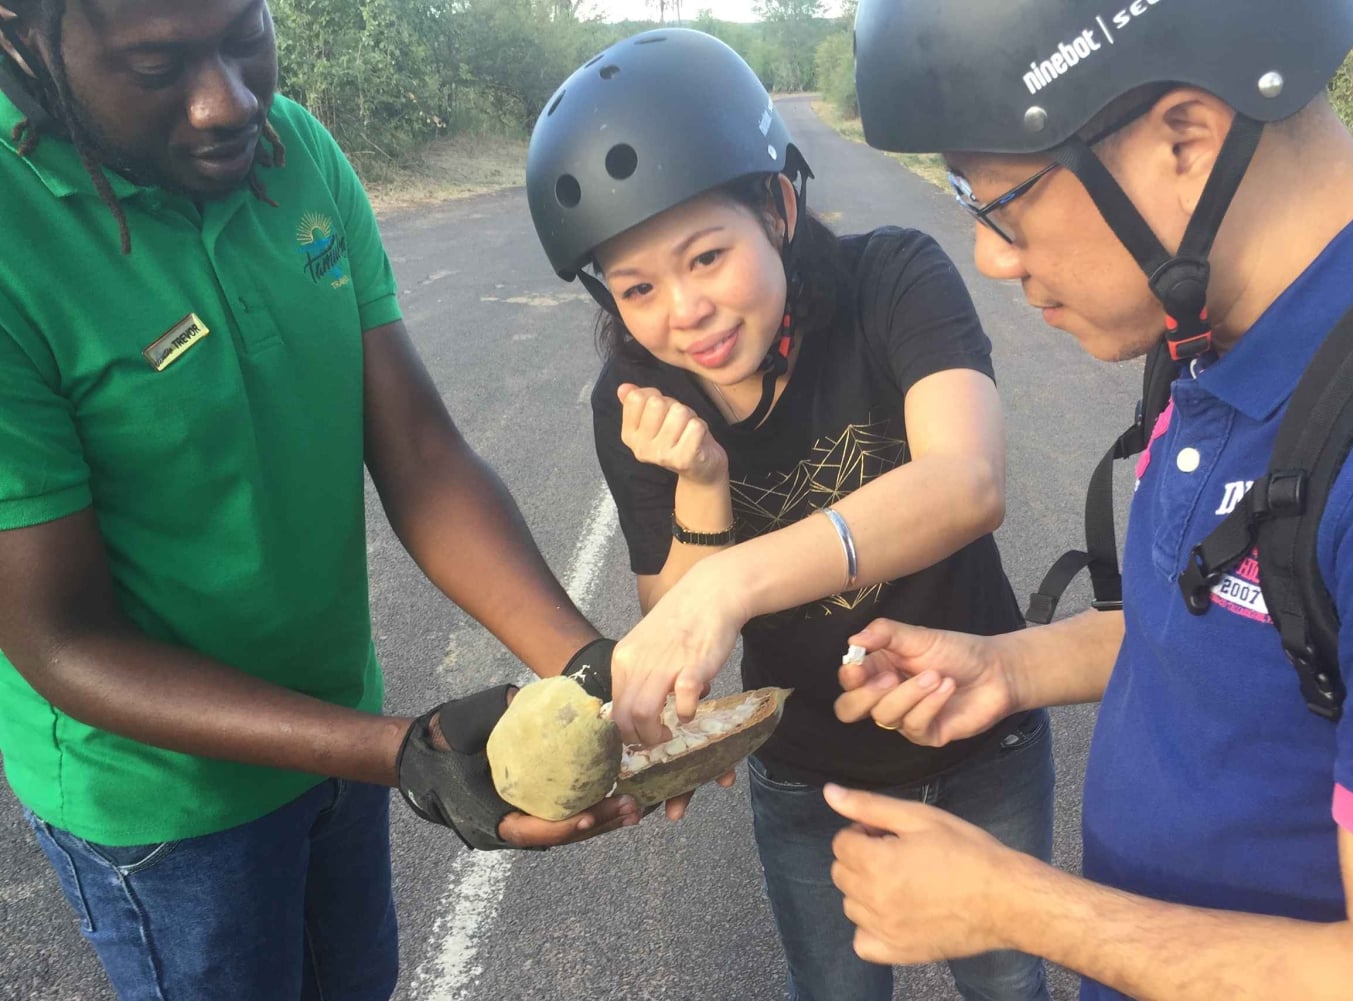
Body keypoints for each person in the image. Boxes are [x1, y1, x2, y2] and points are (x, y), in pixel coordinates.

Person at [824, 1, 1353, 999]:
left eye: (999, 201)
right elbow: (1230, 631)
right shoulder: (1216, 321)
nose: (992, 255)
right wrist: (1007, 666)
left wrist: (1011, 905)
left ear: (1186, 141)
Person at [0, 3, 641, 999]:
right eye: (158, 66)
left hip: (335, 740)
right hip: (165, 813)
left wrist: (588, 664)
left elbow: (420, 456)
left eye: (245, 34)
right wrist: (406, 755)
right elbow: (60, 637)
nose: (228, 102)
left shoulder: (293, 150)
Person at [526, 27, 1053, 1001]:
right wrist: (702, 481)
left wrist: (737, 579)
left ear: (778, 206)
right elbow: (682, 634)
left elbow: (968, 479)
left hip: (983, 738)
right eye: (638, 288)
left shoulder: (892, 280)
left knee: (1008, 983)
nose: (684, 310)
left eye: (707, 256)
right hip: (809, 772)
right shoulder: (637, 402)